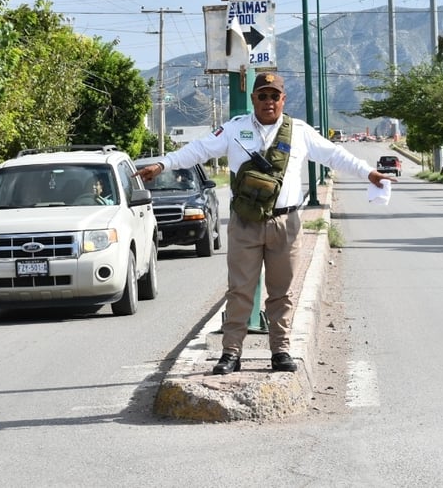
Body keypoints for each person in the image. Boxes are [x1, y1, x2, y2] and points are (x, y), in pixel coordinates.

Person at [137, 72, 396, 375]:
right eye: (263, 95)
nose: (269, 101)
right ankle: (231, 353)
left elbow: (334, 155)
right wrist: (163, 164)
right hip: (245, 223)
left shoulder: (299, 131)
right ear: (253, 100)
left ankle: (280, 351)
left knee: (281, 292)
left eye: (275, 96)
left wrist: (369, 173)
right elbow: (199, 150)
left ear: (283, 100)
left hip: (285, 223)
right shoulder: (235, 129)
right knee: (239, 290)